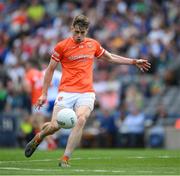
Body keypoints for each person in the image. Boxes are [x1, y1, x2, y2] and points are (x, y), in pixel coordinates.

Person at [24, 14, 151, 167]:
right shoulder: (61, 46)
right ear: (72, 29)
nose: (79, 36)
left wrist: (133, 61)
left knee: (81, 119)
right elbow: (50, 70)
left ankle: (65, 159)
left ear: (87, 31)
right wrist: (44, 93)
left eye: (82, 33)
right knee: (55, 126)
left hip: (86, 92)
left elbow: (110, 57)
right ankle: (40, 136)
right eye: (76, 32)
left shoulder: (93, 45)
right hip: (66, 91)